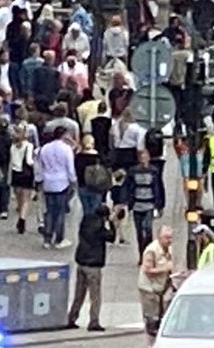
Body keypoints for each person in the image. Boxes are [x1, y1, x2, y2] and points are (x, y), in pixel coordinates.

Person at [67, 204, 118, 333]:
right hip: (94, 265)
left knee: (79, 294)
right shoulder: (100, 228)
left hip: (81, 262)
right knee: (95, 296)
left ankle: (71, 318)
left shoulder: (85, 222)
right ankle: (94, 321)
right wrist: (112, 223)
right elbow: (111, 237)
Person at [37, 126, 77, 249]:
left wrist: (39, 180)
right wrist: (73, 180)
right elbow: (70, 167)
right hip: (62, 181)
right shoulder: (66, 149)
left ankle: (47, 238)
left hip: (48, 181)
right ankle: (59, 238)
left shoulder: (45, 148)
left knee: (49, 211)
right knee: (60, 212)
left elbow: (40, 166)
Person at [123, 149, 165, 253]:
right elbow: (127, 187)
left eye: (145, 158)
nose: (143, 160)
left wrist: (160, 205)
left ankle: (148, 252)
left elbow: (159, 188)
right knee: (139, 231)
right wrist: (126, 202)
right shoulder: (133, 171)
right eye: (141, 158)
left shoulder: (154, 171)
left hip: (149, 204)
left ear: (149, 159)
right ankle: (142, 253)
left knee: (147, 228)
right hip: (137, 204)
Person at [138, 225, 175, 325]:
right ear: (159, 237)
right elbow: (147, 269)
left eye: (171, 237)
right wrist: (165, 268)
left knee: (163, 317)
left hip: (161, 288)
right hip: (149, 289)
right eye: (167, 237)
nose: (169, 240)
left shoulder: (169, 249)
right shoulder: (152, 250)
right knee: (152, 319)